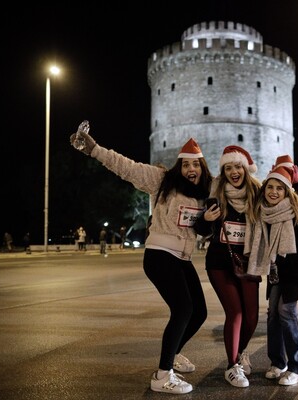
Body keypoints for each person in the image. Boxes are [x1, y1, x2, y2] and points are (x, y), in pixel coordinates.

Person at [70, 128, 213, 395]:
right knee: (182, 309)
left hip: (182, 257)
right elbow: (127, 167)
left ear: (202, 167)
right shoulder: (162, 181)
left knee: (199, 312)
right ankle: (162, 376)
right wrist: (95, 149)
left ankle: (173, 355)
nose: (190, 168)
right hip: (160, 254)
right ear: (178, 166)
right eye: (185, 164)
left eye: (195, 164)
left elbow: (207, 224)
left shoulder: (205, 193)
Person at [194, 145, 262, 388]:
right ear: (223, 172)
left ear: (245, 169)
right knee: (236, 312)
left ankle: (241, 351)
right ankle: (232, 366)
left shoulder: (258, 194)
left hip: (249, 262)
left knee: (252, 316)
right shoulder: (216, 195)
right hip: (220, 262)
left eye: (237, 167)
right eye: (228, 168)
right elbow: (201, 230)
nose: (234, 172)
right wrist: (204, 220)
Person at [246, 163, 298, 386]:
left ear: (287, 191)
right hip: (276, 272)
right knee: (273, 314)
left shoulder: (295, 213)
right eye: (270, 187)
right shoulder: (263, 213)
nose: (274, 192)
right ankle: (278, 363)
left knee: (286, 312)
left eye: (279, 188)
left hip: (296, 272)